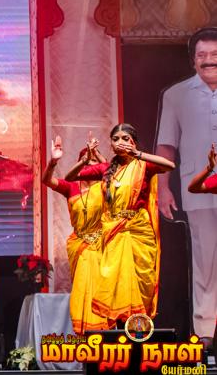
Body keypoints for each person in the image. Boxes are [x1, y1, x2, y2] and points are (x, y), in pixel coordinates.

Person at [65, 123, 175, 325]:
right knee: (117, 281)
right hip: (114, 232)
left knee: (142, 280)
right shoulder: (106, 169)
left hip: (139, 232)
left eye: (125, 138)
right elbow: (69, 177)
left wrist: (138, 154)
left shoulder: (143, 165)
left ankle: (138, 329)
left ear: (134, 142)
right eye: (115, 139)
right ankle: (121, 330)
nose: (120, 142)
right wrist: (84, 161)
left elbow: (170, 165)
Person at [156, 27, 217, 340]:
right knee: (205, 259)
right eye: (202, 55)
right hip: (198, 189)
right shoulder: (176, 95)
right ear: (193, 60)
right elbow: (166, 146)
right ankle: (206, 334)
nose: (208, 60)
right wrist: (162, 188)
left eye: (214, 54)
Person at [42, 136, 112, 334]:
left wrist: (99, 156)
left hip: (103, 246)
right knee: (82, 289)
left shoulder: (106, 186)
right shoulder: (71, 186)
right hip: (80, 246)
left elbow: (112, 171)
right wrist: (53, 161)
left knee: (103, 290)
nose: (90, 165)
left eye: (94, 162)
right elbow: (46, 180)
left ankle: (106, 334)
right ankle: (86, 334)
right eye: (85, 161)